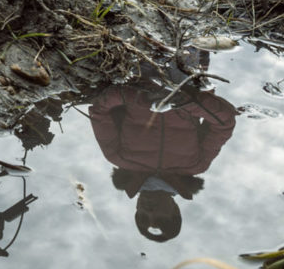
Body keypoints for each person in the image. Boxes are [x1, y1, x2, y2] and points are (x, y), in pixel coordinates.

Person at [89, 77, 238, 243]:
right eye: (161, 219)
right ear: (175, 210)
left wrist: (138, 97)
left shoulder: (118, 156)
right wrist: (185, 102)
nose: (149, 211)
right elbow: (225, 121)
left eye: (143, 216)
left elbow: (99, 110)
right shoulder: (196, 164)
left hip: (137, 72)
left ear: (137, 210)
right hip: (189, 76)